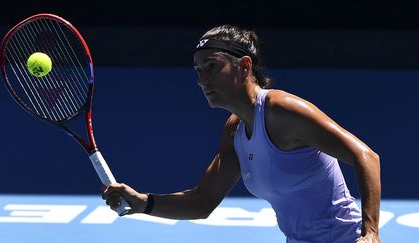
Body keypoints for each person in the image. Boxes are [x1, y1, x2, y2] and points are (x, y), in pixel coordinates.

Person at [101, 25, 381, 243]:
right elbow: (202, 201)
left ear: (244, 66)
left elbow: (365, 155)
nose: (202, 79)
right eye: (198, 70)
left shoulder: (281, 110)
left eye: (212, 66)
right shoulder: (235, 130)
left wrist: (370, 233)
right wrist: (144, 203)